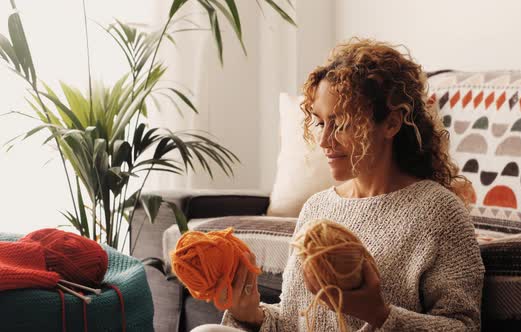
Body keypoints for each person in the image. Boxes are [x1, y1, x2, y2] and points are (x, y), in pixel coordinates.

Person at [192, 37, 484, 332]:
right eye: (320, 122)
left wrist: (379, 314)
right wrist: (251, 314)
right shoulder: (317, 207)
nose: (323, 140)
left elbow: (463, 326)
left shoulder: (439, 211)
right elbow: (293, 318)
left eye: (342, 123)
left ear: (392, 124)